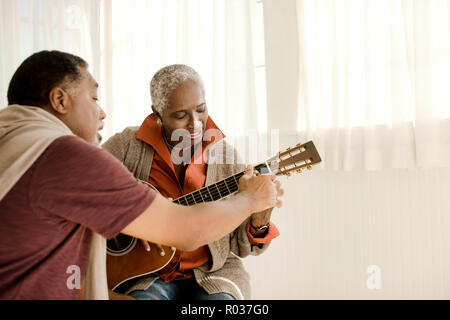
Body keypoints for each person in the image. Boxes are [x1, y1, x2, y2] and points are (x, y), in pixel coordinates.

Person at [0, 51, 283, 300]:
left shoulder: (12, 140)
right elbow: (185, 231)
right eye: (94, 98)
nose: (102, 113)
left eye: (201, 109)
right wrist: (249, 199)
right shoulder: (72, 156)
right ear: (60, 100)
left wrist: (258, 216)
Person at [102, 64, 281, 300]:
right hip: (143, 275)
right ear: (157, 113)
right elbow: (82, 189)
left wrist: (260, 218)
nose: (195, 123)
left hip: (213, 272)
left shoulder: (225, 156)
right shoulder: (126, 146)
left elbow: (241, 247)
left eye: (201, 109)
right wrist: (131, 217)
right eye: (180, 115)